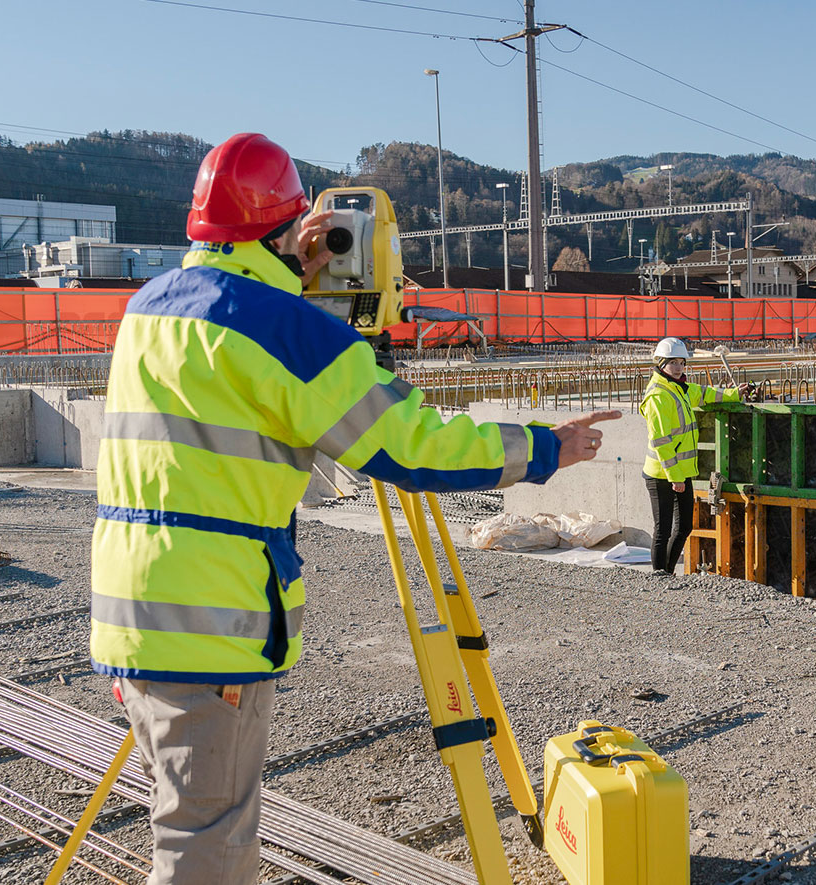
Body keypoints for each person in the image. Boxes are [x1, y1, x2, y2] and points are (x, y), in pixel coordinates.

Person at [89, 132, 618, 884]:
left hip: (130, 615)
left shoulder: (149, 308)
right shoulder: (286, 331)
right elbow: (413, 447)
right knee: (205, 849)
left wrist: (287, 282)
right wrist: (543, 448)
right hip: (210, 632)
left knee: (182, 813)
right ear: (283, 231)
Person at [640, 337, 751, 574]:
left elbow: (705, 394)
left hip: (682, 473)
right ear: (661, 364)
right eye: (673, 363)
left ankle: (666, 574)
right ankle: (659, 576)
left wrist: (734, 395)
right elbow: (662, 443)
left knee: (684, 528)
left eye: (681, 362)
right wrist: (675, 477)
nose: (678, 367)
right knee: (663, 530)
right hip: (662, 475)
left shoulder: (680, 389)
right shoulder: (659, 396)